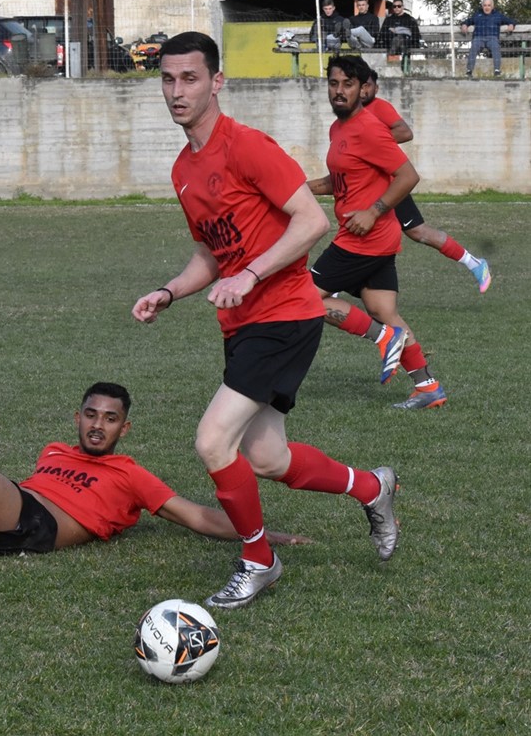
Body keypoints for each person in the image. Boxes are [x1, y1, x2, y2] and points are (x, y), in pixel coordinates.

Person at [130, 32, 399, 610]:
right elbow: (212, 253)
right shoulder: (183, 170)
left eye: (190, 78)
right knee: (268, 459)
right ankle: (372, 487)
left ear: (217, 82)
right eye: (168, 80)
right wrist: (169, 291)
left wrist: (251, 275)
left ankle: (259, 560)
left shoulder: (247, 146)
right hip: (242, 324)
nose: (177, 91)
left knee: (212, 441)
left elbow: (311, 221)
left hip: (285, 314)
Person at [0, 275, 309, 555]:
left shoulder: (131, 475)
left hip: (29, 528)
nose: (97, 425)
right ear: (77, 418)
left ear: (125, 428)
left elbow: (195, 515)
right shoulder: (53, 451)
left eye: (109, 419)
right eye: (91, 415)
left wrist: (263, 535)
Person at [306, 56, 446, 411]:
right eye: (334, 83)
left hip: (362, 239)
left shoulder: (368, 128)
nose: (339, 91)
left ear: (362, 89)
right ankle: (428, 387)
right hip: (376, 241)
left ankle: (384, 338)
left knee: (302, 297)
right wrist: (296, 189)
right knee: (383, 309)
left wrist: (373, 211)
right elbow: (339, 180)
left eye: (348, 84)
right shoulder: (338, 129)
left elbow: (408, 176)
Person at [362, 69, 491, 292]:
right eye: (360, 85)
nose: (364, 90)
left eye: (368, 85)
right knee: (363, 232)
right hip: (370, 184)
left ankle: (475, 264)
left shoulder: (379, 107)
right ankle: (335, 284)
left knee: (417, 232)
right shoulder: (353, 114)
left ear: (376, 88)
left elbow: (405, 133)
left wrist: (371, 144)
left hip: (391, 185)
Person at [461, 0, 517, 77]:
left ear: (492, 6)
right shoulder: (477, 15)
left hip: (492, 38)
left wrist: (511, 25)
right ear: (482, 6)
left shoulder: (498, 15)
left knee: (496, 48)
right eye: (485, 5)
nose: (487, 7)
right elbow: (467, 21)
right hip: (479, 37)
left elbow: (510, 21)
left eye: (489, 5)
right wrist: (464, 25)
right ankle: (469, 71)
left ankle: (497, 71)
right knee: (473, 48)